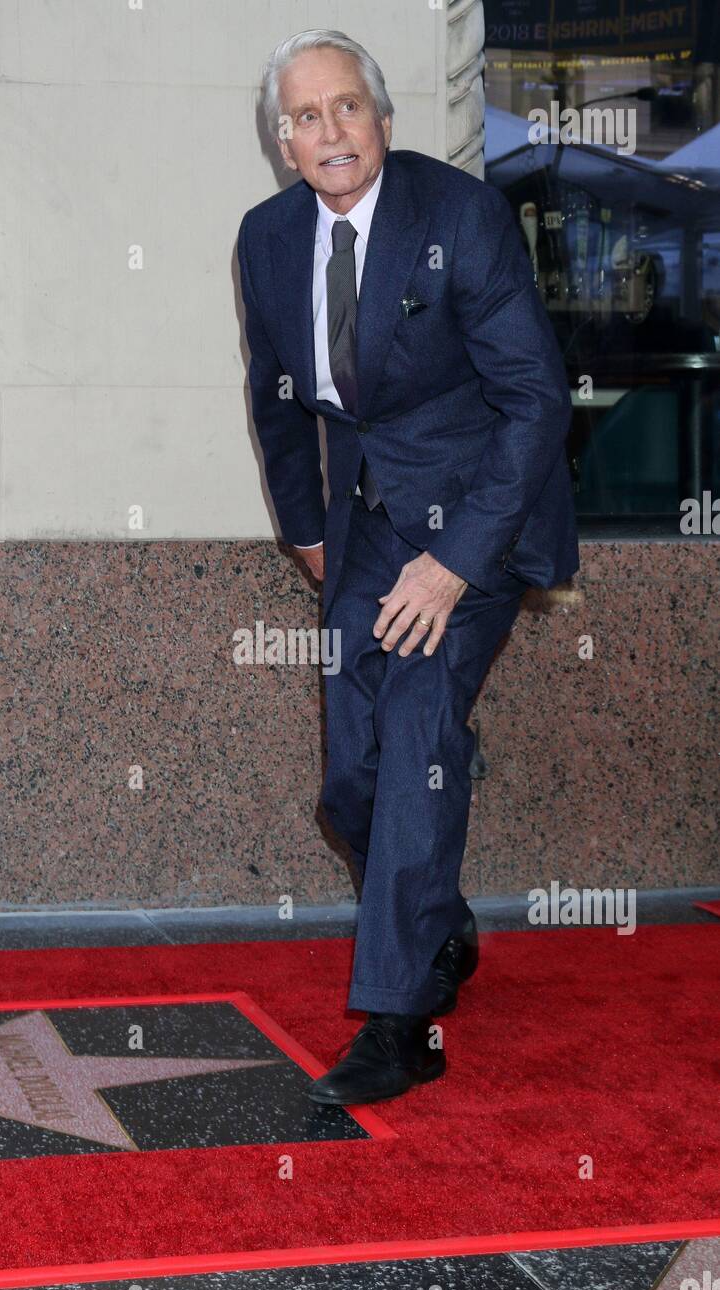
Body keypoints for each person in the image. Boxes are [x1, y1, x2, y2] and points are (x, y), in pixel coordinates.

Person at [237, 30, 578, 1105]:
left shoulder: (457, 215)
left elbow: (535, 400)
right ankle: (432, 914)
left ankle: (399, 1024)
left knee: (423, 723)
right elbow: (276, 399)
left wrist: (450, 566)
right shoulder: (265, 237)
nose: (328, 131)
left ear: (381, 120)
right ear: (282, 142)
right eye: (305, 116)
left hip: (478, 514)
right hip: (364, 527)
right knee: (349, 777)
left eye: (347, 108)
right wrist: (308, 534)